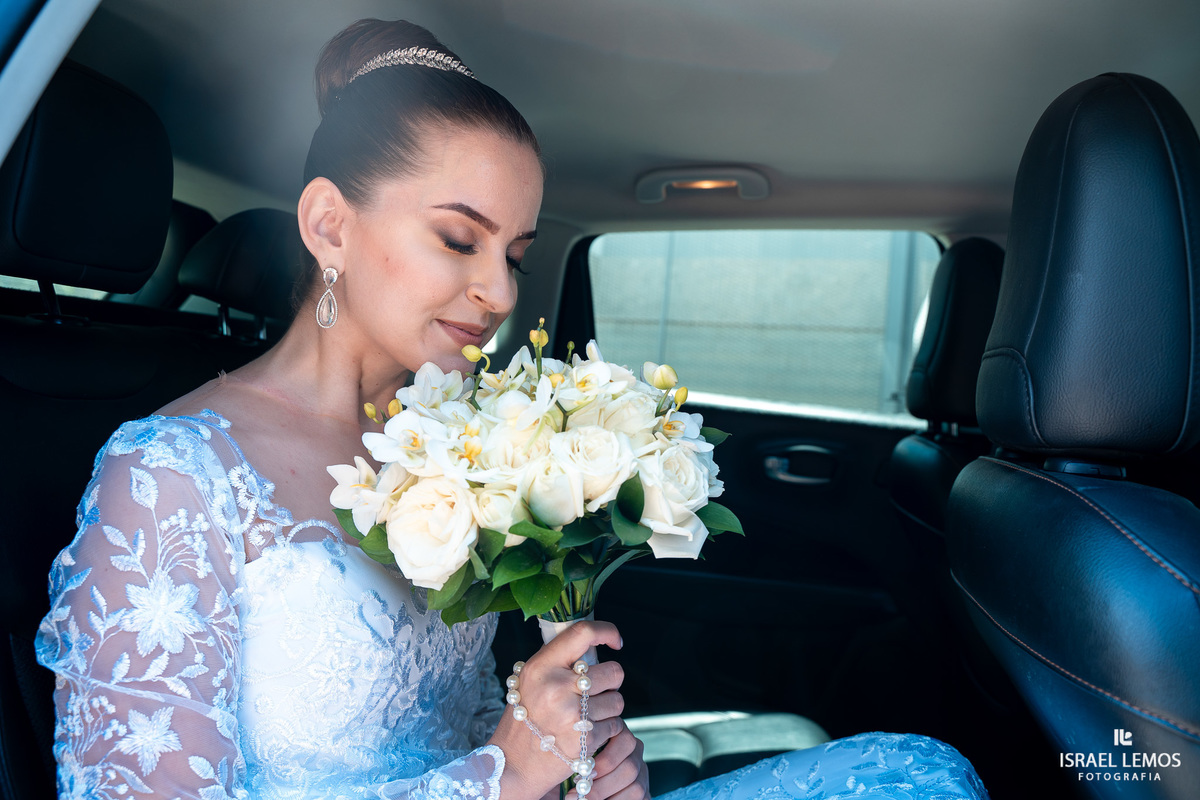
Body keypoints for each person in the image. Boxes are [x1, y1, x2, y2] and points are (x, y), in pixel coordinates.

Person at [35, 19, 990, 800]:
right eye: (459, 239)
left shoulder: (462, 444)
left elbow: (463, 733)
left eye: (517, 254)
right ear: (330, 224)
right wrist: (507, 770)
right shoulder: (168, 475)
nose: (496, 292)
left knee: (919, 771)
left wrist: (573, 770)